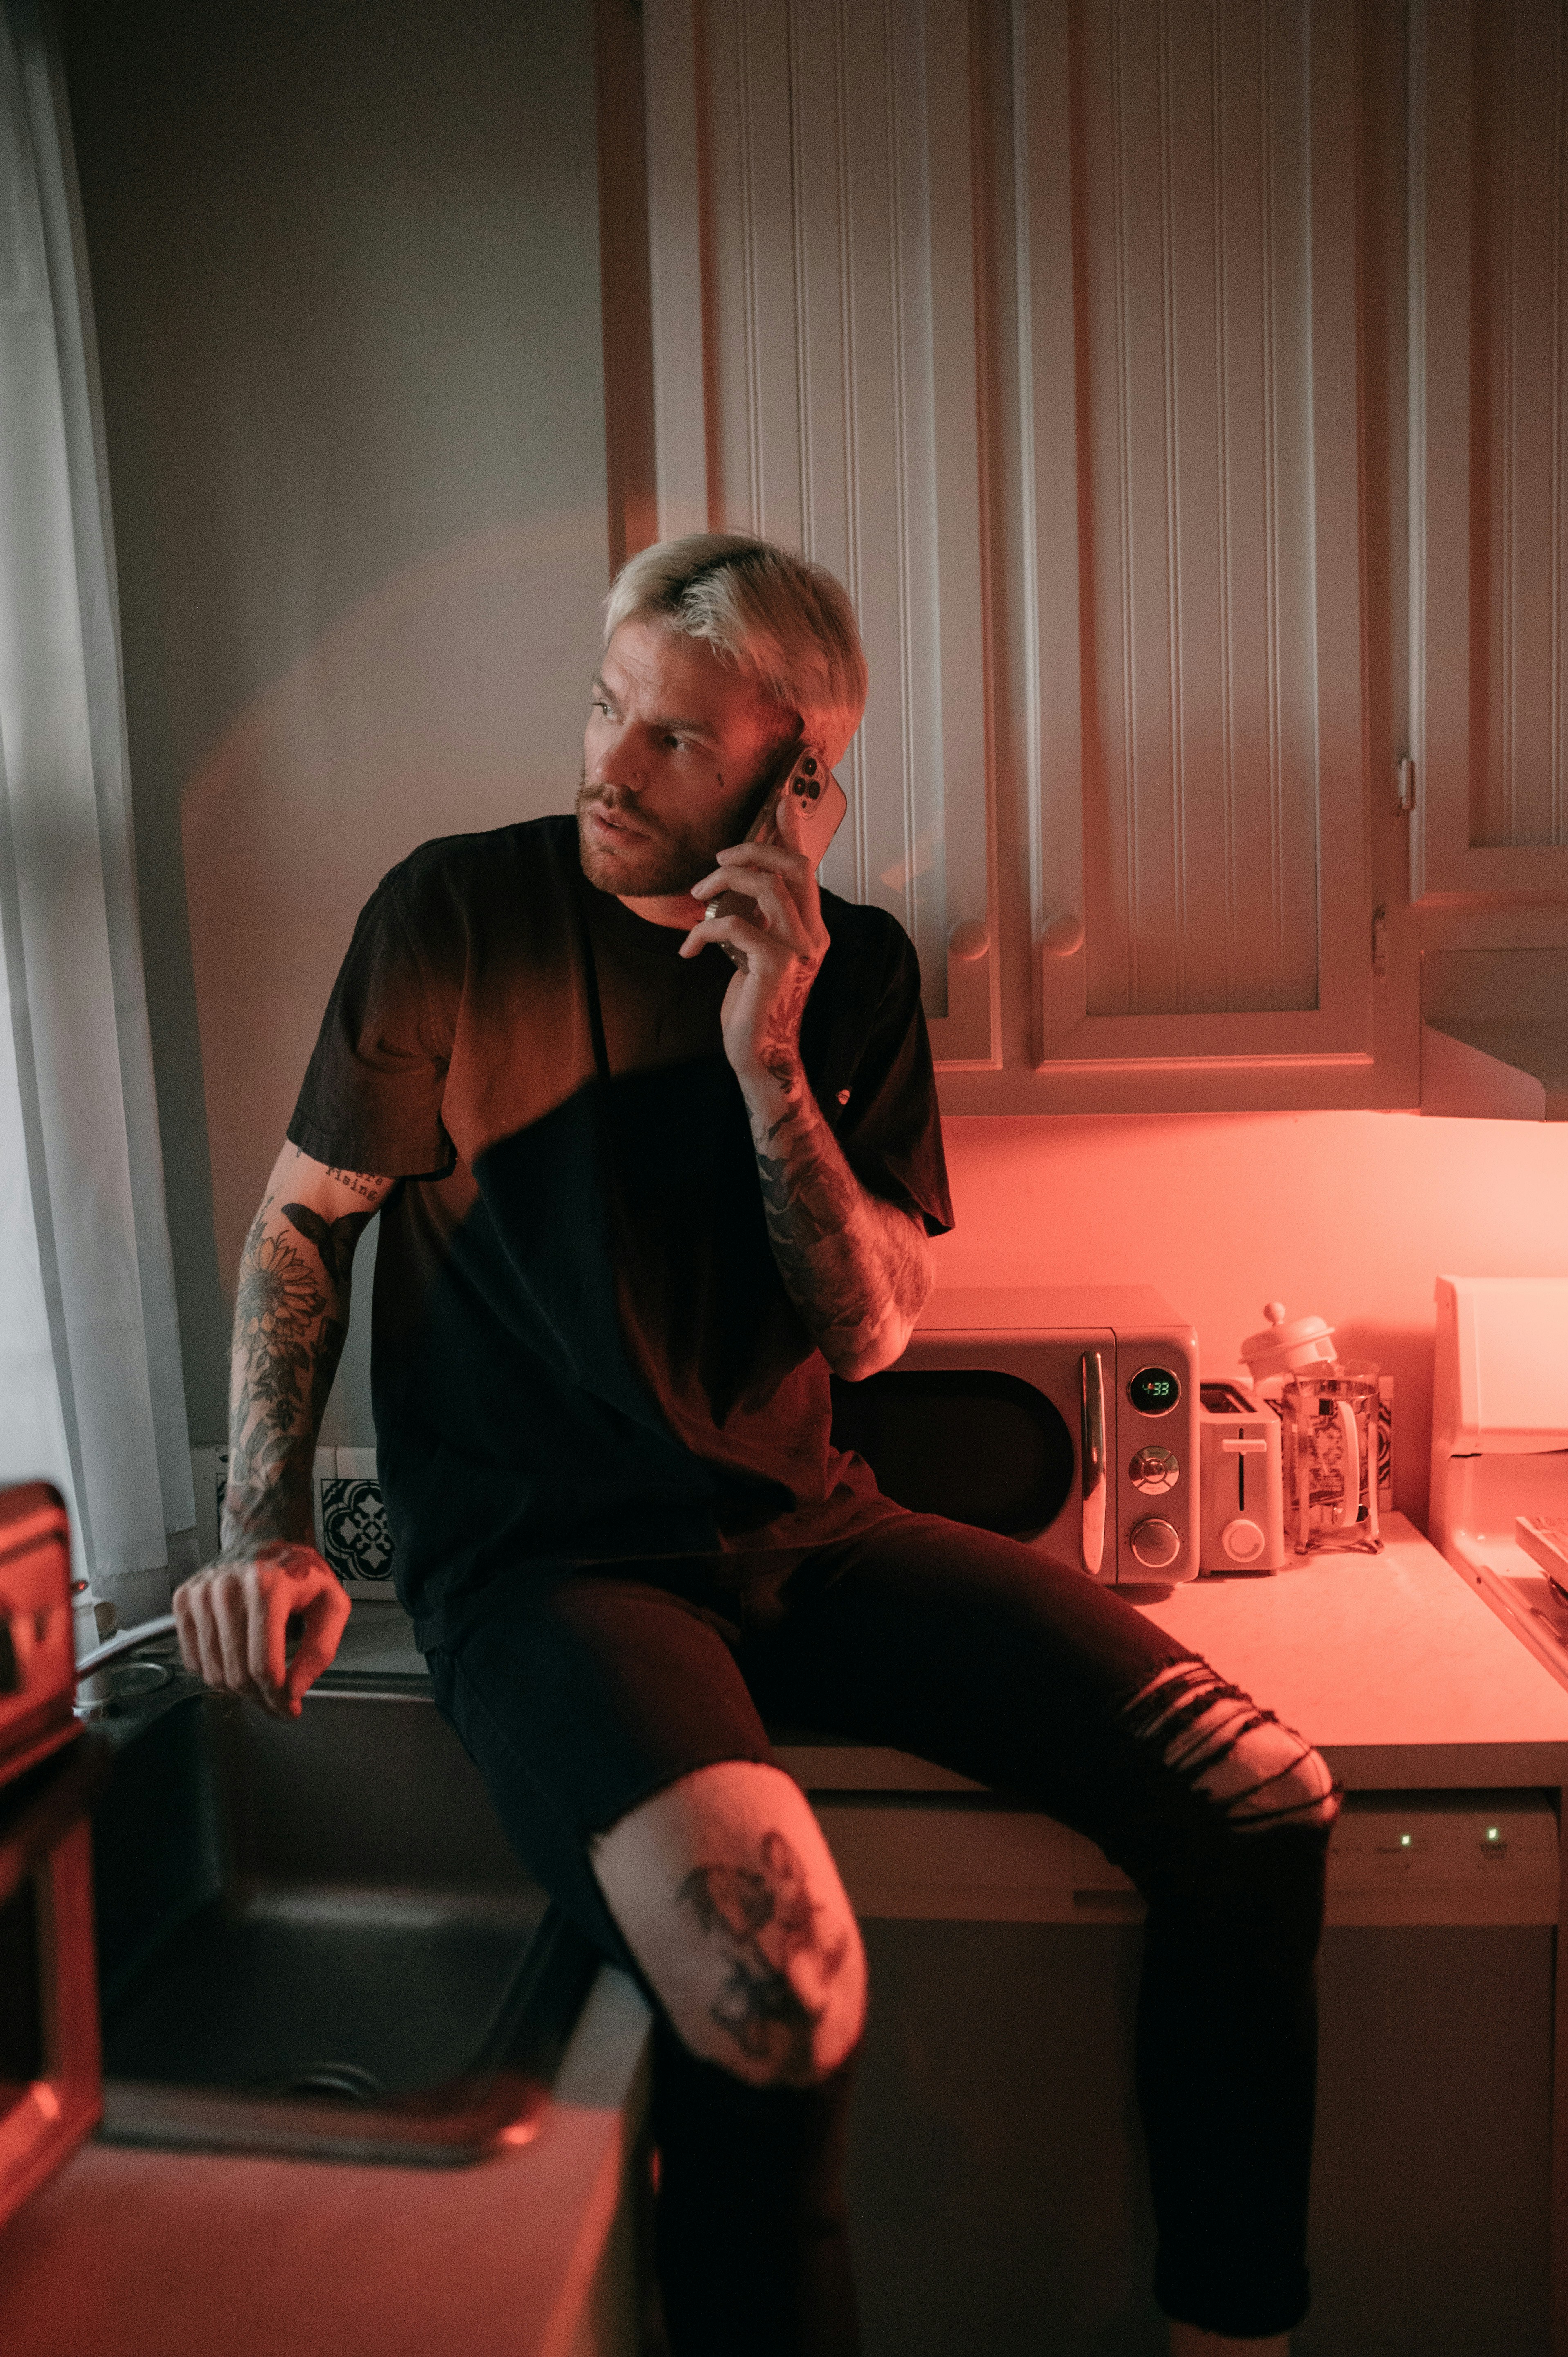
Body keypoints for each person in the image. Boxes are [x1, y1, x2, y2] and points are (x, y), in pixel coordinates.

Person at [174, 532, 1338, 2357]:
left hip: (808, 1534)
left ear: (797, 780)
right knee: (774, 1989)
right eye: (603, 707)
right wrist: (261, 1524)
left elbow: (867, 1330)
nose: (608, 764)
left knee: (1261, 1799)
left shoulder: (847, 975)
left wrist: (766, 1052)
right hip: (549, 1573)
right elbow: (305, 1224)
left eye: (671, 740)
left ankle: (1232, 2333)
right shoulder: (449, 915)